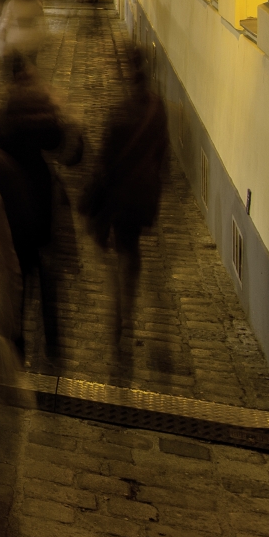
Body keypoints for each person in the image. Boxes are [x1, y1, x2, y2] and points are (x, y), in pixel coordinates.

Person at [0, 61, 80, 366]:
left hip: (13, 206)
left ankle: (17, 340)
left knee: (19, 276)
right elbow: (66, 151)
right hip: (38, 200)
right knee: (45, 274)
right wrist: (62, 116)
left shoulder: (5, 116)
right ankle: (52, 341)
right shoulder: (40, 114)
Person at [80, 49, 168, 357]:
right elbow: (162, 156)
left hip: (121, 196)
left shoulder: (117, 114)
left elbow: (104, 163)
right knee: (132, 252)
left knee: (120, 250)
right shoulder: (158, 108)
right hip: (144, 194)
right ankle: (128, 308)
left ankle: (120, 311)